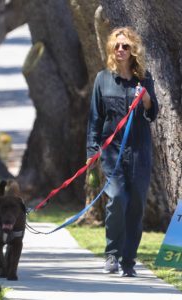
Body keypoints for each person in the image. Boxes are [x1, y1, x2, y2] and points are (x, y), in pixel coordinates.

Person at [86, 27, 158, 277]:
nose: (120, 50)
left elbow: (152, 114)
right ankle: (112, 255)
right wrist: (92, 151)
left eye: (125, 46)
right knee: (117, 198)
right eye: (116, 46)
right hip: (111, 150)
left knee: (136, 203)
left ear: (133, 50)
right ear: (111, 49)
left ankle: (129, 261)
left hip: (139, 150)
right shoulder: (102, 79)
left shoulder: (145, 79)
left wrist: (147, 99)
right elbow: (95, 119)